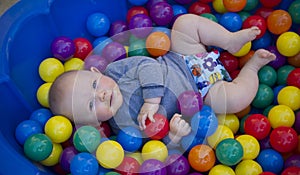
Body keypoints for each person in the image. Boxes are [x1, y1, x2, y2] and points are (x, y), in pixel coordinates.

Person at [49, 14, 276, 144]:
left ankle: (229, 41)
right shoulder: (123, 128)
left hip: (183, 57)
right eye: (91, 104)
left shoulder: (115, 71)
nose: (101, 94)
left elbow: (147, 64)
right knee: (235, 99)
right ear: (92, 123)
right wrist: (175, 136)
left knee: (184, 24)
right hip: (204, 93)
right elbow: (154, 144)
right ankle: (252, 68)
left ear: (97, 73)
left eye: (95, 85)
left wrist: (151, 101)